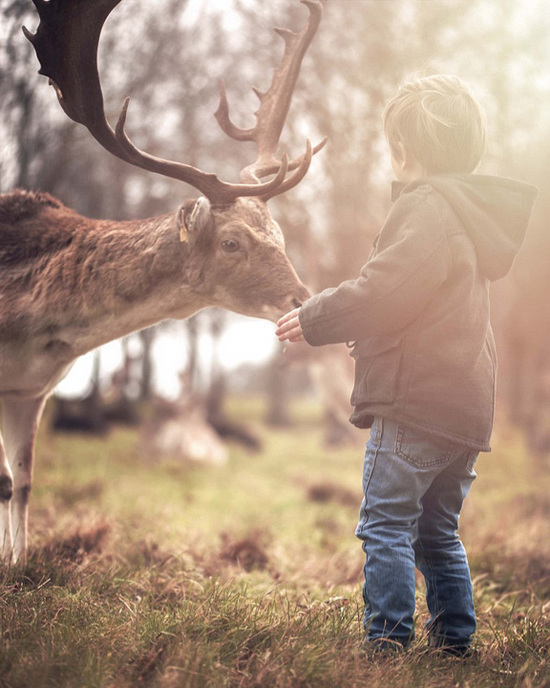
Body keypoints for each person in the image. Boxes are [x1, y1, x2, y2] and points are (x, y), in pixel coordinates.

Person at [275, 75, 538, 654]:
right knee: (437, 534)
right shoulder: (468, 218)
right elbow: (418, 305)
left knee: (385, 525)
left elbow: (384, 290)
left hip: (415, 408)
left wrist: (317, 318)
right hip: (462, 412)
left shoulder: (426, 208)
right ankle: (454, 643)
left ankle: (387, 642)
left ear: (405, 151)